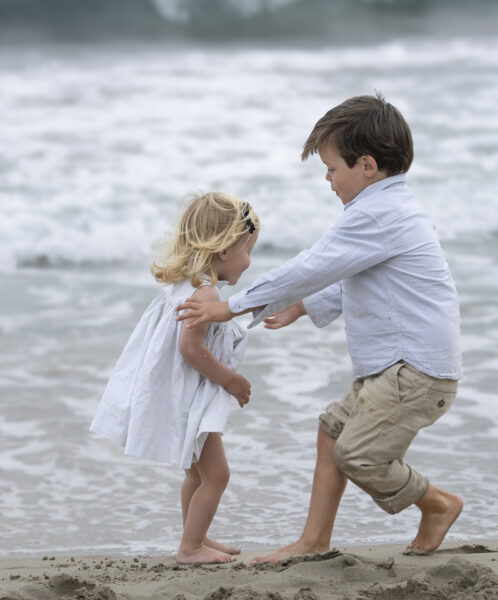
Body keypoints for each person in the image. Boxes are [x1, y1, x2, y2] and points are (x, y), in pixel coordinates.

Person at [176, 93, 463, 562]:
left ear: (366, 166)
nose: (328, 181)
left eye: (332, 169)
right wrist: (302, 307)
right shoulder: (386, 213)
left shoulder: (379, 214)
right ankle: (314, 541)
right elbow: (355, 275)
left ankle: (437, 504)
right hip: (394, 367)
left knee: (358, 456)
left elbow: (315, 264)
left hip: (414, 370)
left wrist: (232, 307)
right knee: (332, 431)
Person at [90, 191, 260, 565]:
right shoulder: (206, 290)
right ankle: (190, 548)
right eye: (247, 250)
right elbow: (190, 348)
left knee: (197, 475)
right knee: (217, 475)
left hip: (175, 390)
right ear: (223, 250)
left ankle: (194, 536)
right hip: (189, 396)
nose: (250, 262)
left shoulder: (186, 282)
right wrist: (232, 380)